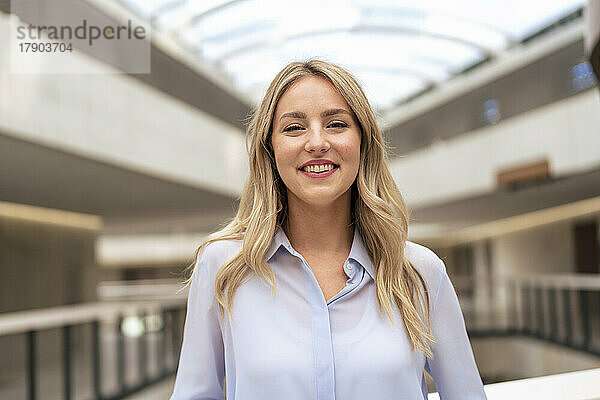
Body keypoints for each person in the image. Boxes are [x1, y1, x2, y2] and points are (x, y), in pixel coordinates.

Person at [169, 59, 487, 400]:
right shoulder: (222, 267)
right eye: (294, 128)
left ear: (363, 142)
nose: (317, 142)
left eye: (336, 124)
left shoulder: (420, 274)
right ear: (270, 148)